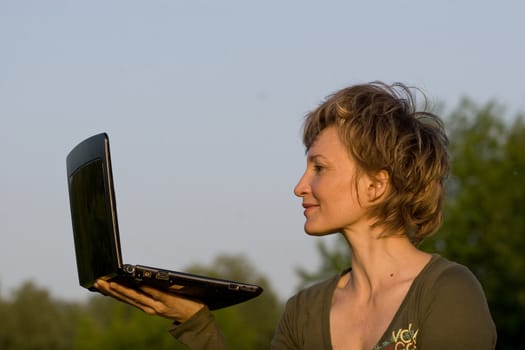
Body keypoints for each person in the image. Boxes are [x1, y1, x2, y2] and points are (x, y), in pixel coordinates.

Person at [95, 81, 497, 349]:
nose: (300, 185)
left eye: (319, 168)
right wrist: (196, 322)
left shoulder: (447, 292)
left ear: (376, 185)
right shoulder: (304, 311)